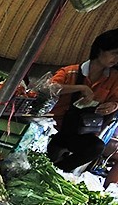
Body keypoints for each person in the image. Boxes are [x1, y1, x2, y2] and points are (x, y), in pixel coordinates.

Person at [47, 28, 118, 173]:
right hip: (54, 128)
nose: (116, 59)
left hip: (81, 132)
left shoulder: (114, 79)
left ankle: (59, 171)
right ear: (100, 50)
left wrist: (113, 106)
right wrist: (79, 88)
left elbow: (115, 101)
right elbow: (49, 88)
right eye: (114, 54)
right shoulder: (70, 71)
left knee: (96, 147)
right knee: (49, 149)